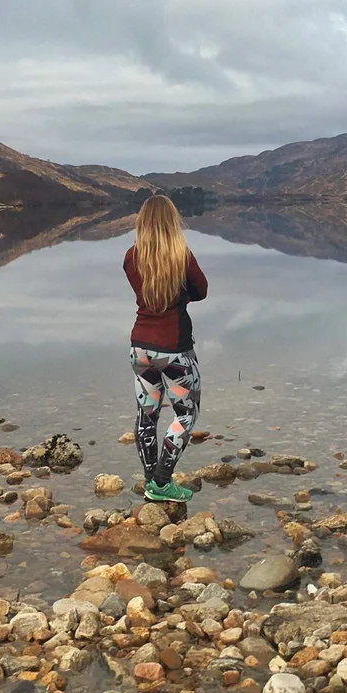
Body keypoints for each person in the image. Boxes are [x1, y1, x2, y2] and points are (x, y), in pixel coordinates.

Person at [123, 194, 207, 503]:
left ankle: (150, 482)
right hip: (174, 350)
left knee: (147, 415)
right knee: (186, 415)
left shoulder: (131, 256)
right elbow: (202, 290)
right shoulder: (181, 255)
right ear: (172, 222)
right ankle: (161, 481)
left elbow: (143, 290)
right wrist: (180, 296)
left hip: (140, 348)